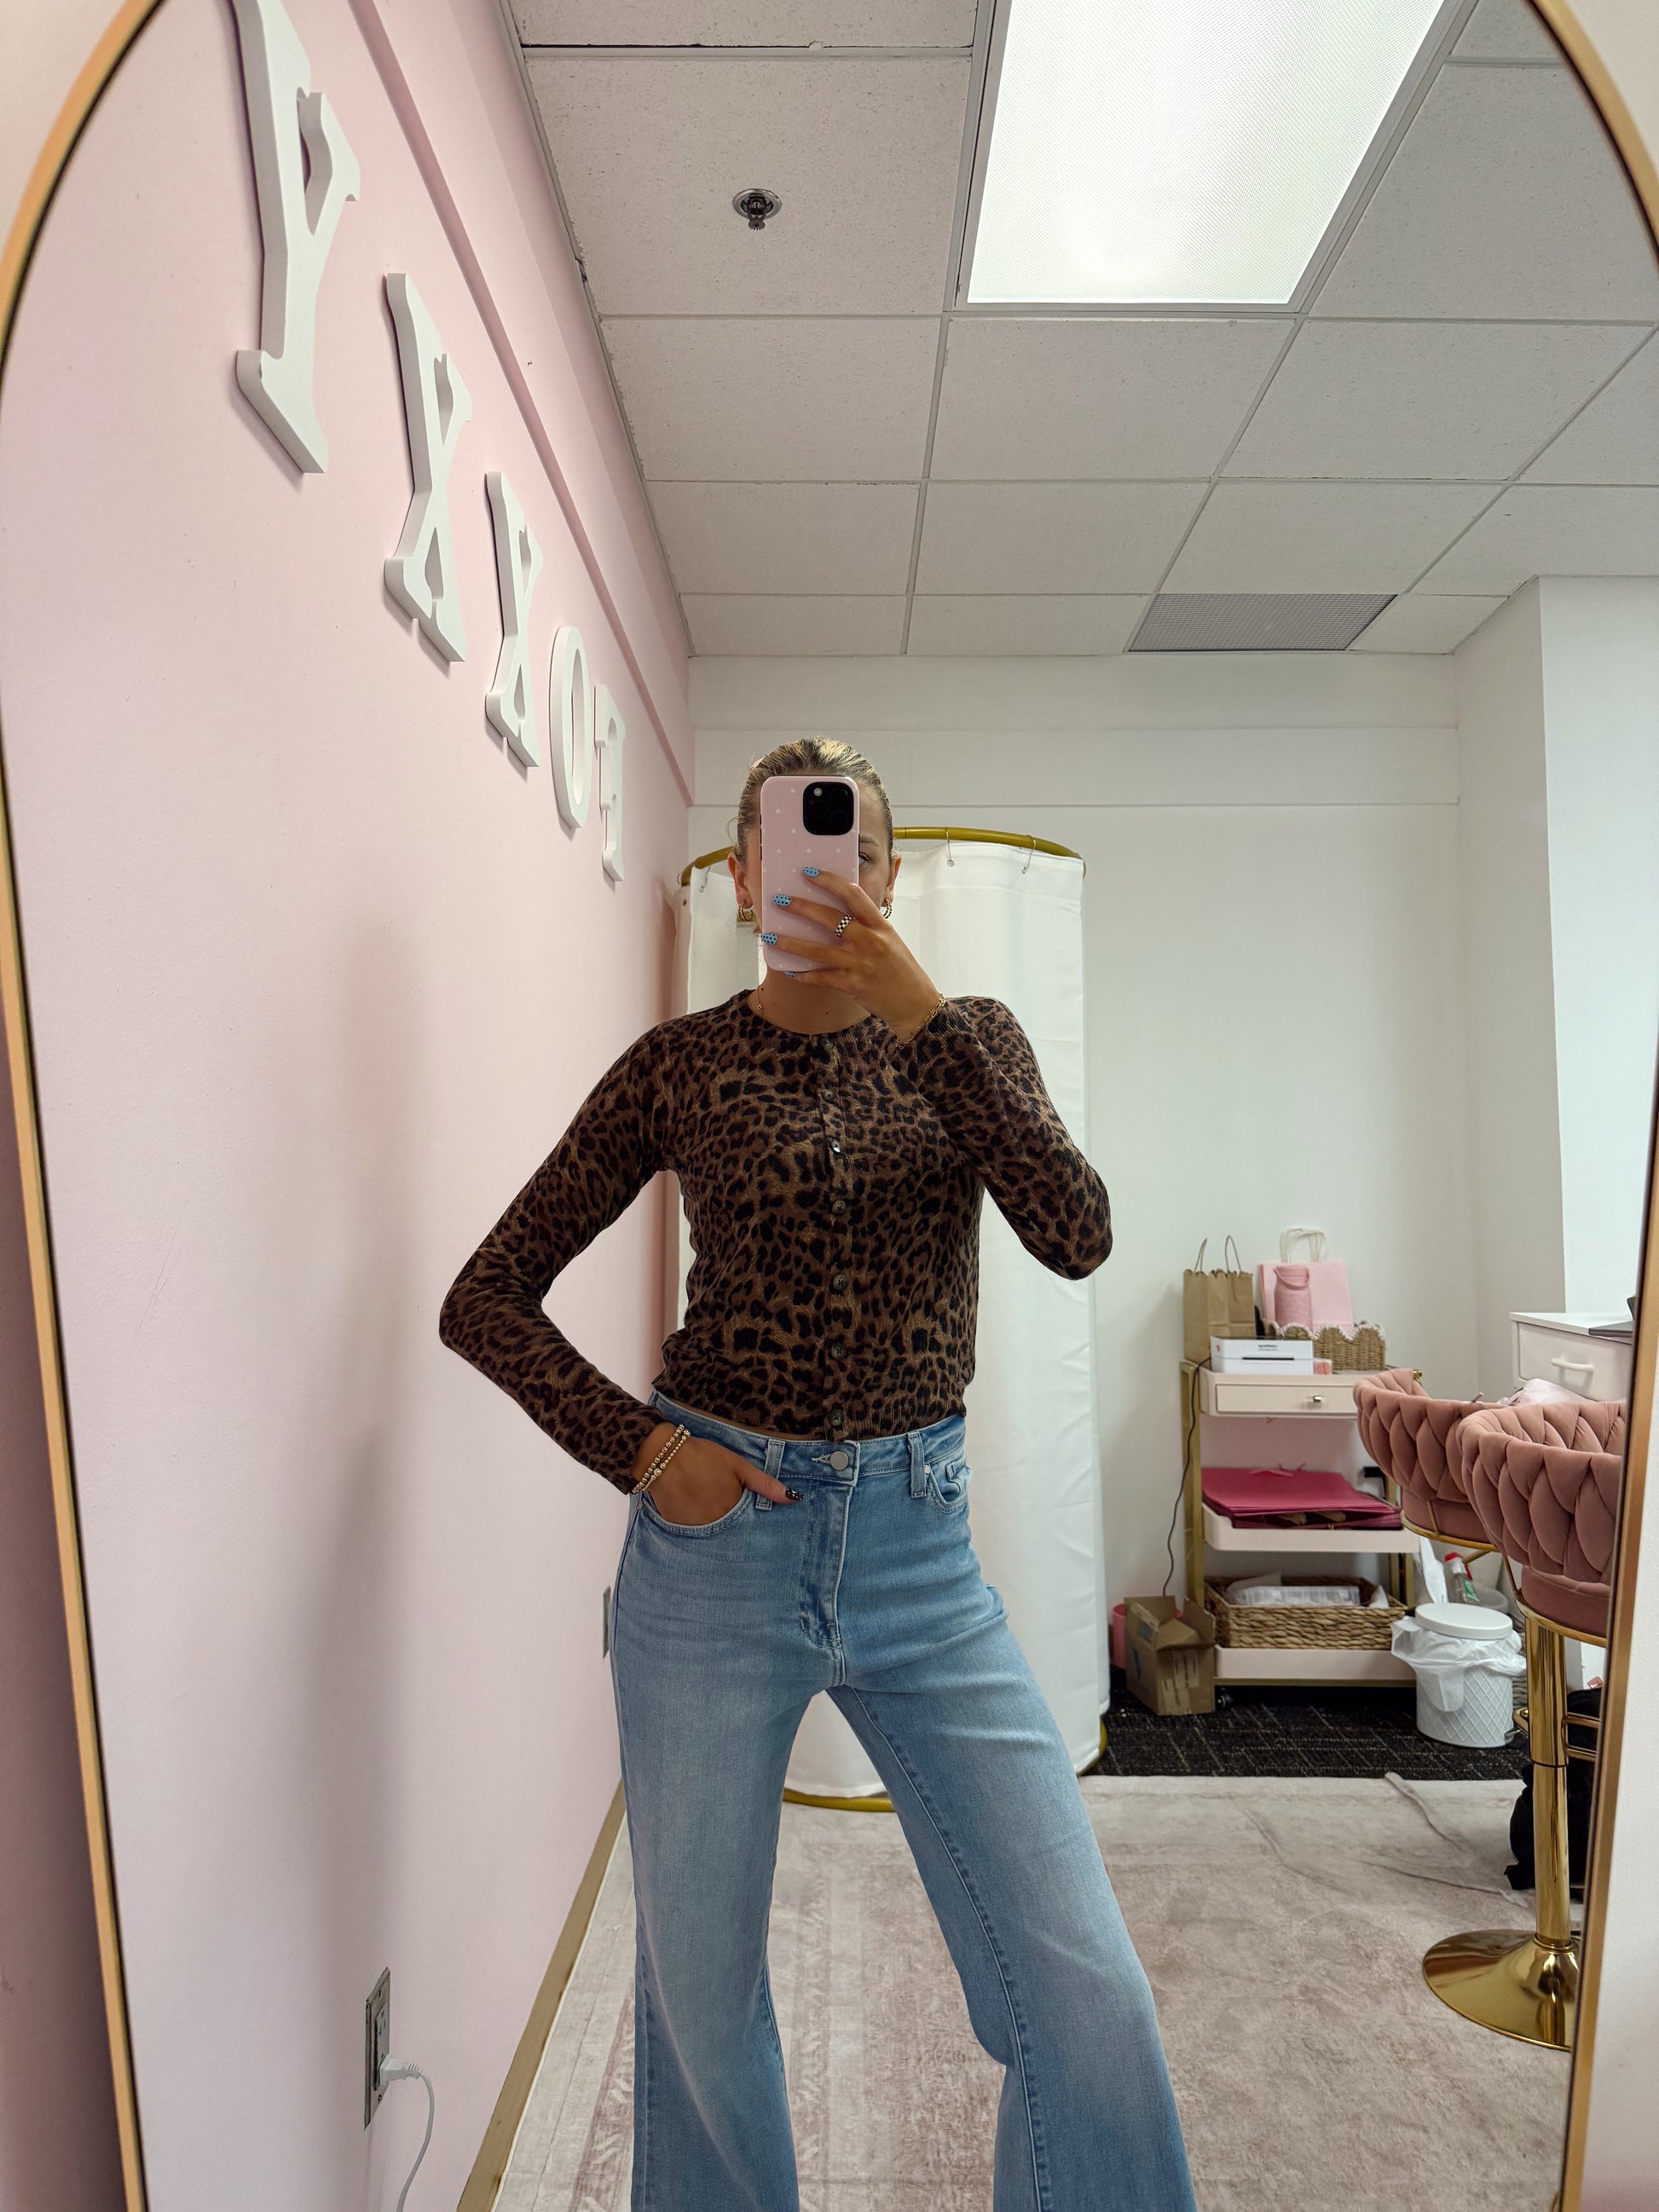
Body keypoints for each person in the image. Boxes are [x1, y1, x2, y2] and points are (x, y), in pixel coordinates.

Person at [438, 737, 1195, 2212]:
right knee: (699, 2001)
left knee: (1084, 1985)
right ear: (742, 876)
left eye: (857, 855)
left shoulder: (968, 1038)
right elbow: (487, 1297)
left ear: (889, 880)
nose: (826, 878)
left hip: (921, 1552)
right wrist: (646, 1451)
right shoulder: (677, 1065)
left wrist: (922, 1014)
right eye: (789, 852)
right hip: (714, 1564)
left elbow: (1077, 1232)